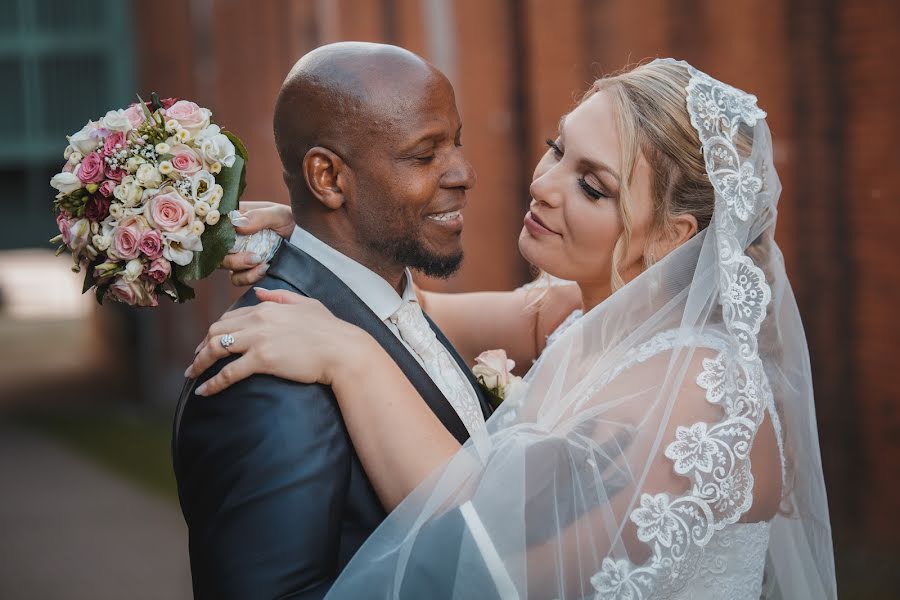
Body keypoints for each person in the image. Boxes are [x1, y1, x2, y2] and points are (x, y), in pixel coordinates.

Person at [189, 59, 837, 598]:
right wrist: (319, 232)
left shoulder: (697, 390)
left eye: (592, 185)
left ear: (671, 236)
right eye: (558, 149)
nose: (545, 184)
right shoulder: (580, 311)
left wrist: (349, 359)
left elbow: (491, 568)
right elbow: (410, 313)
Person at [172, 42, 497, 599]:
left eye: (456, 143)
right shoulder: (269, 373)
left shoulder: (385, 307)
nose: (463, 173)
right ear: (327, 178)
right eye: (425, 155)